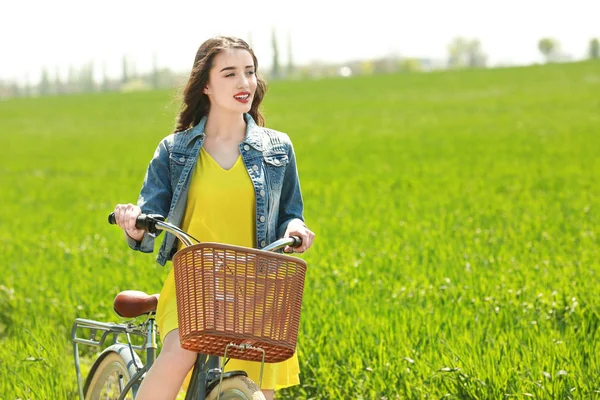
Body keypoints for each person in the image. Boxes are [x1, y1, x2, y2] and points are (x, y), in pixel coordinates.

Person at [112, 36, 315, 400]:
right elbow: (150, 212)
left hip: (256, 286)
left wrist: (296, 228)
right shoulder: (174, 150)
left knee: (259, 392)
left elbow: (289, 213)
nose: (244, 83)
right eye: (230, 74)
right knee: (179, 354)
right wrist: (135, 221)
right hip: (195, 284)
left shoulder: (277, 147)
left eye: (249, 72)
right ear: (206, 85)